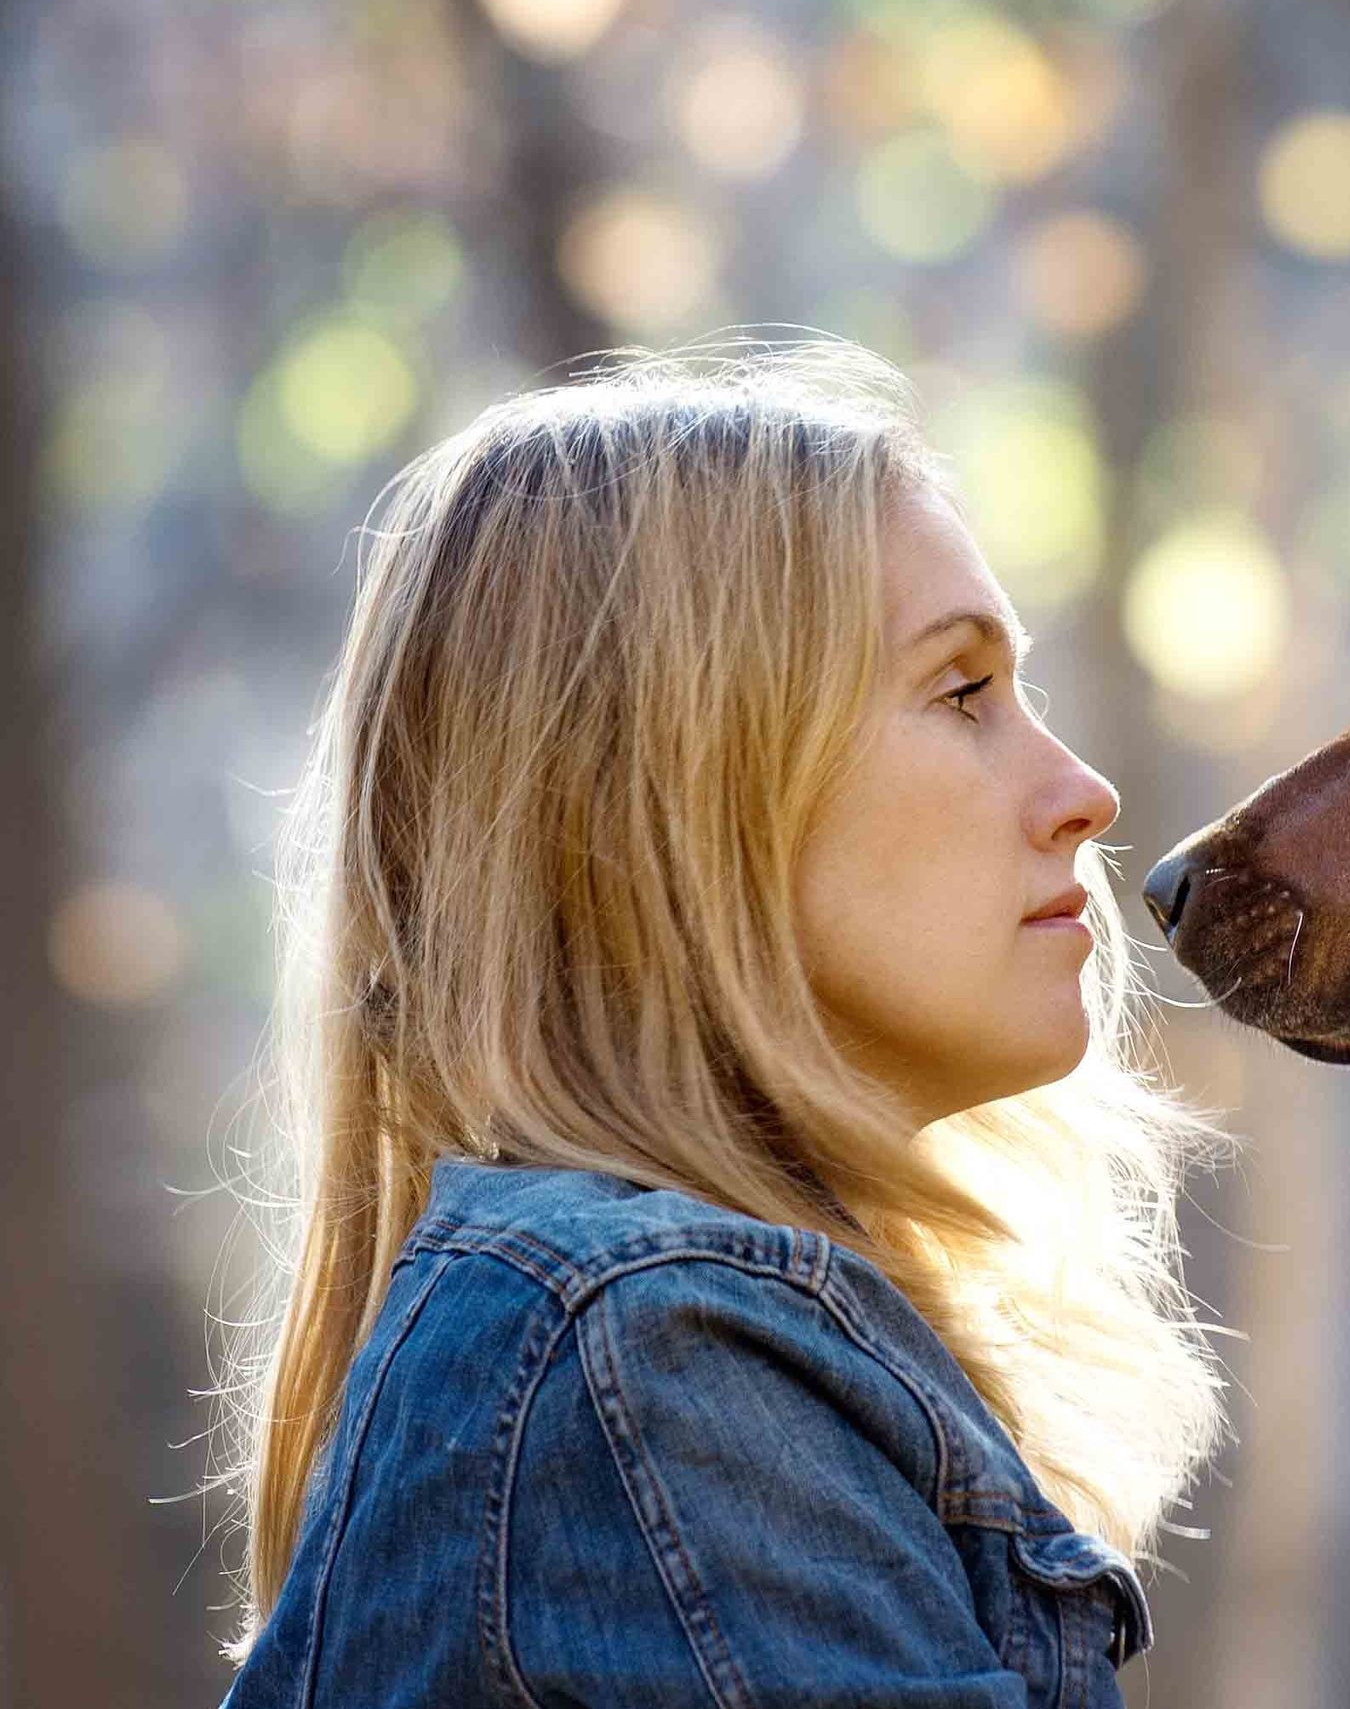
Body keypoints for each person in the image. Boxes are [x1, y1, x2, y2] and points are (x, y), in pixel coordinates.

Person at [206, 339, 1228, 1708]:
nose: (1085, 793)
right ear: (677, 791)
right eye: (963, 691)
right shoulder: (649, 1345)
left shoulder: (633, 1329)